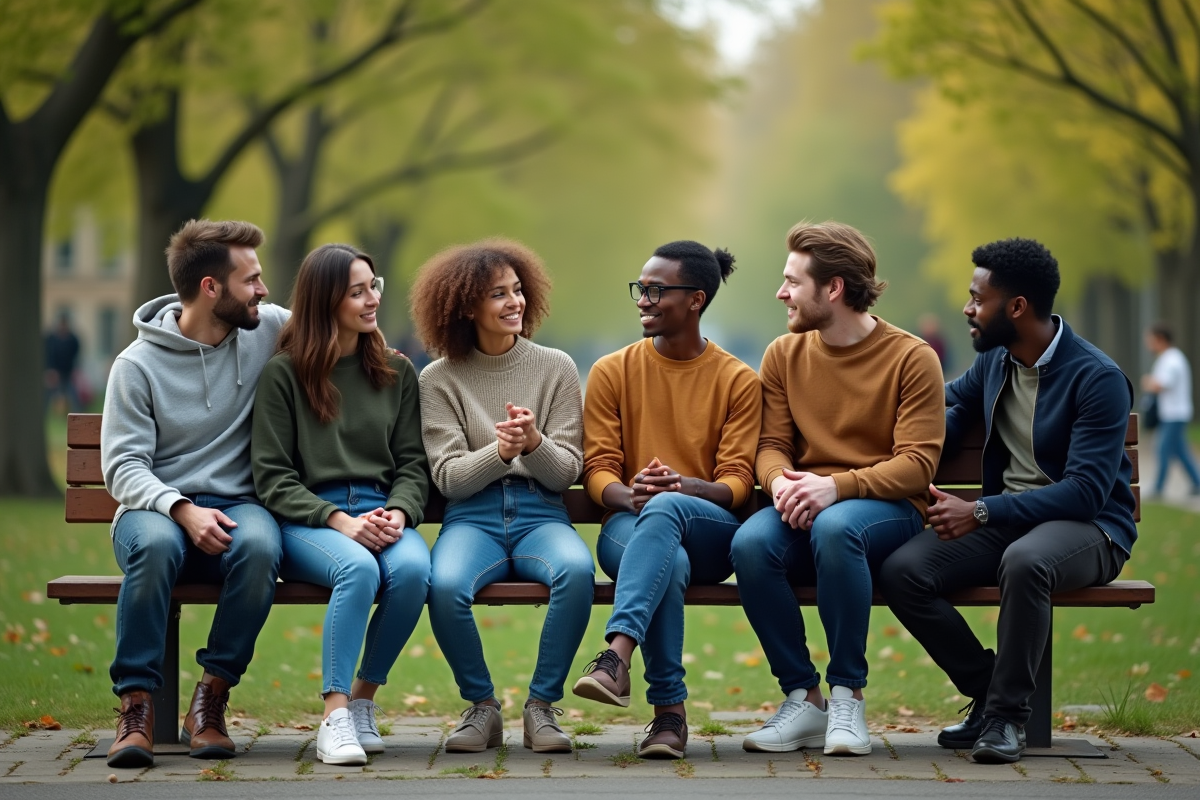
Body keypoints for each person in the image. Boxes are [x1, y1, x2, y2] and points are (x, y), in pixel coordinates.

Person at [880, 238, 1137, 764]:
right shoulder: (998, 361)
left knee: (1026, 562)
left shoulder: (1098, 378)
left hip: (1089, 529)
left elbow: (1085, 492)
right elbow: (945, 405)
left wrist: (979, 511)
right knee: (903, 571)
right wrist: (928, 437)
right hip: (1010, 519)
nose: (967, 308)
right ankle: (989, 687)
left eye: (978, 298)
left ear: (1016, 307)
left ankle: (1005, 719)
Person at [731, 221, 944, 757]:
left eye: (792, 282)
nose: (781, 293)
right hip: (808, 501)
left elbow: (918, 464)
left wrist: (836, 486)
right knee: (750, 545)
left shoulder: (912, 357)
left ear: (834, 289)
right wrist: (779, 482)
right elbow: (772, 443)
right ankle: (804, 698)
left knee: (835, 526)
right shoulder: (784, 354)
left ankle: (848, 695)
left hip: (886, 508)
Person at [100, 220, 289, 767]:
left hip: (238, 507)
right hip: (154, 510)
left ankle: (210, 699)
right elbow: (123, 467)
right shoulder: (136, 366)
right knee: (157, 546)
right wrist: (182, 510)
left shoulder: (267, 328)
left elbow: (333, 326)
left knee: (259, 546)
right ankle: (136, 707)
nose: (264, 290)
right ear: (211, 288)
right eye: (251, 279)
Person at [571, 241, 762, 760]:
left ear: (695, 299)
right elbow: (599, 469)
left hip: (710, 532)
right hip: (629, 528)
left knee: (670, 515)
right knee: (665, 558)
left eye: (656, 290)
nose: (643, 300)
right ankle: (668, 718)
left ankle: (617, 655)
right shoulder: (613, 371)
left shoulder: (738, 380)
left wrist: (683, 488)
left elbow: (738, 483)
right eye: (641, 289)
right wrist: (632, 495)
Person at [252, 244, 431, 766]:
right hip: (310, 517)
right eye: (357, 291)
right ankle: (333, 716)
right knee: (357, 570)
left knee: (417, 570)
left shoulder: (397, 371)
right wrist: (338, 520)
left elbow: (412, 463)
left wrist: (399, 512)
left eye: (374, 286)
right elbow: (272, 476)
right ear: (325, 300)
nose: (372, 298)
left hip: (380, 509)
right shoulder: (284, 375)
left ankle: (361, 702)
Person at [413, 239, 593, 755]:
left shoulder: (556, 367)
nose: (514, 302)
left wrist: (532, 443)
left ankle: (541, 706)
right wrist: (501, 450)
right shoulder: (438, 377)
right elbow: (447, 478)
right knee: (444, 583)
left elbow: (565, 473)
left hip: (541, 513)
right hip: (473, 519)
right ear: (467, 306)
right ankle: (482, 707)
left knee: (575, 572)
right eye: (498, 294)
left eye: (517, 290)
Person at [1142, 323, 1200, 497]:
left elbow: (1162, 384)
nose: (1149, 344)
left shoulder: (1172, 359)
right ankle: (1197, 483)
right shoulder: (1169, 358)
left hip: (1175, 414)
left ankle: (1158, 488)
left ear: (1161, 339)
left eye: (1151, 340)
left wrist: (1148, 382)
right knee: (1180, 451)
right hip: (1172, 413)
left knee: (1163, 449)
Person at [44, 311, 83, 413]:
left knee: (73, 395)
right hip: (54, 373)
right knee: (47, 396)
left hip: (68, 373)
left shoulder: (73, 339)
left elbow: (75, 355)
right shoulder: (51, 339)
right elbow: (48, 354)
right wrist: (50, 370)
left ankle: (77, 414)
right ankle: (42, 413)